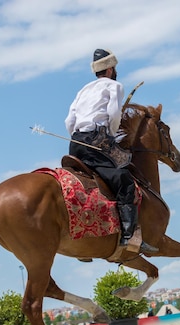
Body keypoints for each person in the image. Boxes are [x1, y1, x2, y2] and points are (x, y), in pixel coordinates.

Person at [65, 48, 158, 254]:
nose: (115, 71)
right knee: (124, 181)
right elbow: (114, 114)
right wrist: (111, 132)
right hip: (96, 140)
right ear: (109, 69)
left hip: (75, 142)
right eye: (114, 68)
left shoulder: (83, 90)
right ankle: (128, 237)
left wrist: (79, 136)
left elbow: (69, 121)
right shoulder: (114, 86)